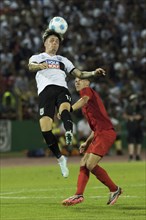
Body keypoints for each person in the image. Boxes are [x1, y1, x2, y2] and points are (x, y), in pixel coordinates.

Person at [28, 29, 105, 178]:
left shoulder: (63, 60)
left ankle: (68, 131)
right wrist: (39, 66)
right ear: (45, 43)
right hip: (45, 91)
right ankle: (61, 158)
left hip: (62, 88)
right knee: (45, 129)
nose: (54, 43)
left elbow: (80, 74)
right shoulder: (38, 57)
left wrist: (94, 73)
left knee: (65, 108)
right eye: (51, 40)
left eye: (57, 41)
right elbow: (30, 66)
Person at [62, 78, 122, 206]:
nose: (77, 82)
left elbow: (83, 99)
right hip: (99, 133)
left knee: (90, 164)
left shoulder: (87, 91)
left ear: (87, 82)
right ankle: (78, 195)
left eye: (80, 79)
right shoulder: (86, 105)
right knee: (83, 162)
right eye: (75, 80)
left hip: (106, 133)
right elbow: (95, 129)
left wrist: (68, 110)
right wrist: (87, 143)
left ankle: (114, 189)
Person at [123, 94, 144, 161]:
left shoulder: (139, 107)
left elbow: (140, 116)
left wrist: (132, 117)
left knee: (139, 141)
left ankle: (137, 155)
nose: (136, 101)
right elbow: (124, 115)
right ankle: (131, 156)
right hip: (131, 126)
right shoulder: (128, 107)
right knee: (131, 140)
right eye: (135, 99)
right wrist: (130, 117)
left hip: (138, 126)